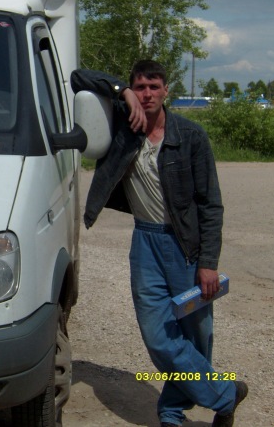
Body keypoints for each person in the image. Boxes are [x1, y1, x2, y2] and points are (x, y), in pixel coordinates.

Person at [71, 60, 248, 427]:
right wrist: (121, 91)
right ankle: (225, 395)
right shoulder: (124, 126)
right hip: (146, 243)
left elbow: (210, 205)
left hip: (187, 247)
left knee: (196, 335)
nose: (147, 94)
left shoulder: (191, 136)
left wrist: (208, 262)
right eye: (140, 87)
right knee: (158, 336)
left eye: (154, 87)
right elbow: (78, 78)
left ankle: (171, 411)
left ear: (167, 90)